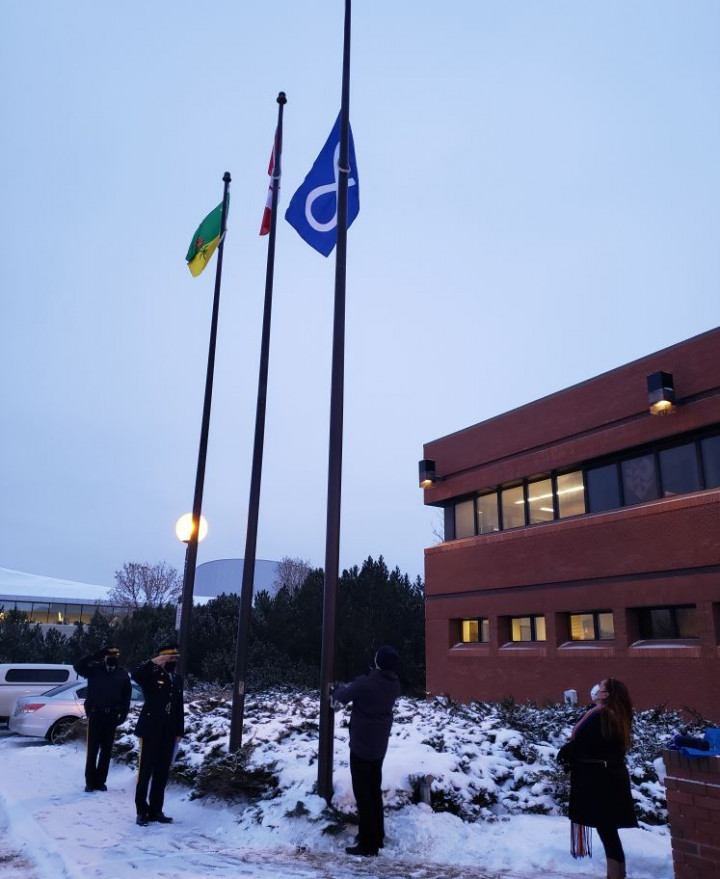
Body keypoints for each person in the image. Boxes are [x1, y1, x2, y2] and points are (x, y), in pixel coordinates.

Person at [557, 678, 638, 879]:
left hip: (599, 782)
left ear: (606, 694)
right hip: (609, 778)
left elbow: (587, 744)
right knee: (608, 830)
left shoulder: (600, 716)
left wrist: (567, 752)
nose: (596, 690)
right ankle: (617, 873)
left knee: (607, 830)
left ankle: (615, 876)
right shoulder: (618, 715)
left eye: (600, 689)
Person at [331, 645, 401, 857]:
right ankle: (376, 836)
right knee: (373, 791)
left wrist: (336, 689)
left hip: (361, 746)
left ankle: (367, 845)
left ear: (378, 661)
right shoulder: (394, 683)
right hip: (379, 746)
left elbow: (340, 698)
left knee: (364, 795)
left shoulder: (366, 683)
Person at [131, 643, 184, 826]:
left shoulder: (177, 679)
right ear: (162, 658)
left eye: (175, 658)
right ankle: (141, 811)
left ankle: (156, 810)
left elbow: (179, 707)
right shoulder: (150, 675)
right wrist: (154, 662)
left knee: (162, 772)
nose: (173, 661)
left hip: (168, 732)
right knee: (145, 772)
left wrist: (179, 731)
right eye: (169, 658)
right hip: (151, 729)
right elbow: (136, 674)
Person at [73, 646, 131, 793]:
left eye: (115, 655)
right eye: (109, 655)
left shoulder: (122, 674)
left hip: (111, 717)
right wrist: (94, 655)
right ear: (104, 657)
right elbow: (78, 666)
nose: (112, 658)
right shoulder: (94, 670)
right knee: (92, 751)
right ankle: (90, 782)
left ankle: (101, 782)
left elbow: (126, 696)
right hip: (96, 715)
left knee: (106, 751)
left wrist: (123, 714)